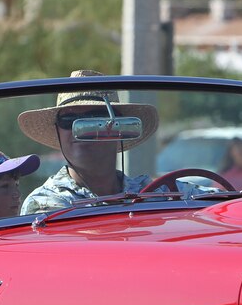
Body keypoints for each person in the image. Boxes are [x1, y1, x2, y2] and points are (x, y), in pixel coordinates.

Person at [18, 70, 159, 215]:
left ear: (119, 128)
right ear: (58, 130)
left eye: (95, 118)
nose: (80, 129)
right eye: (68, 120)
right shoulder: (44, 204)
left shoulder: (156, 193)